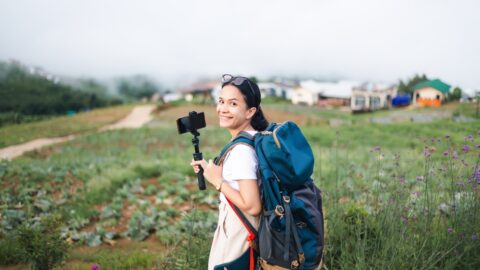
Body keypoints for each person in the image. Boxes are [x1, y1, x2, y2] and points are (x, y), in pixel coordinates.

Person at [190, 74, 269, 270]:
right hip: (243, 232)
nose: (223, 109)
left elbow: (252, 206)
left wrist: (218, 182)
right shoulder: (255, 137)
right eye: (221, 101)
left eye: (233, 104)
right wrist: (210, 172)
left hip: (238, 236)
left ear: (250, 111)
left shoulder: (241, 151)